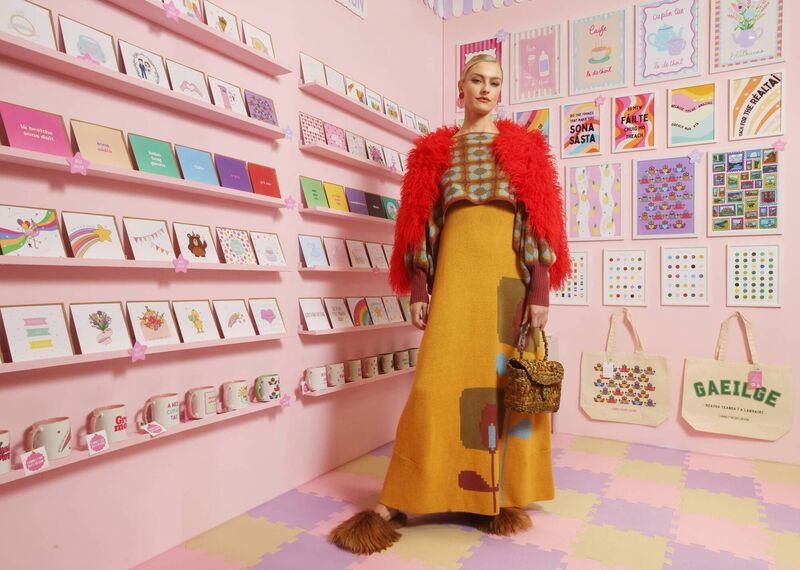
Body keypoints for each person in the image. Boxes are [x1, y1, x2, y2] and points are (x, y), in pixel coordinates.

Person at [329, 53, 570, 555]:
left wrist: (540, 289)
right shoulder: (435, 153)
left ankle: (496, 493)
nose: (486, 90)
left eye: (495, 83)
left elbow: (537, 221)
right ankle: (404, 494)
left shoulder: (522, 147)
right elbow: (421, 224)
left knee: (501, 382)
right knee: (439, 382)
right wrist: (420, 287)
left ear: (501, 92)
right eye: (477, 81)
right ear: (460, 88)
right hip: (456, 277)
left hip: (508, 278)